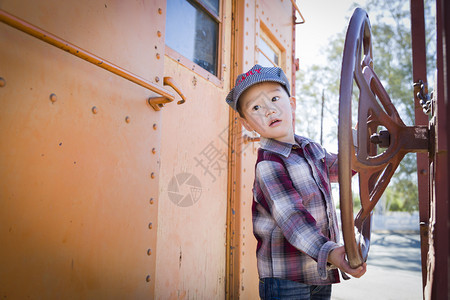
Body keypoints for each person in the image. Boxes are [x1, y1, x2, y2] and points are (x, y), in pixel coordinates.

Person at [225, 64, 366, 299]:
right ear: (248, 124)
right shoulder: (269, 164)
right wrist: (331, 253)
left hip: (319, 269)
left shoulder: (311, 149)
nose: (269, 110)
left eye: (274, 98)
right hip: (285, 276)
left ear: (291, 105)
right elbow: (293, 220)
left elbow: (343, 169)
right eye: (256, 107)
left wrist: (360, 142)